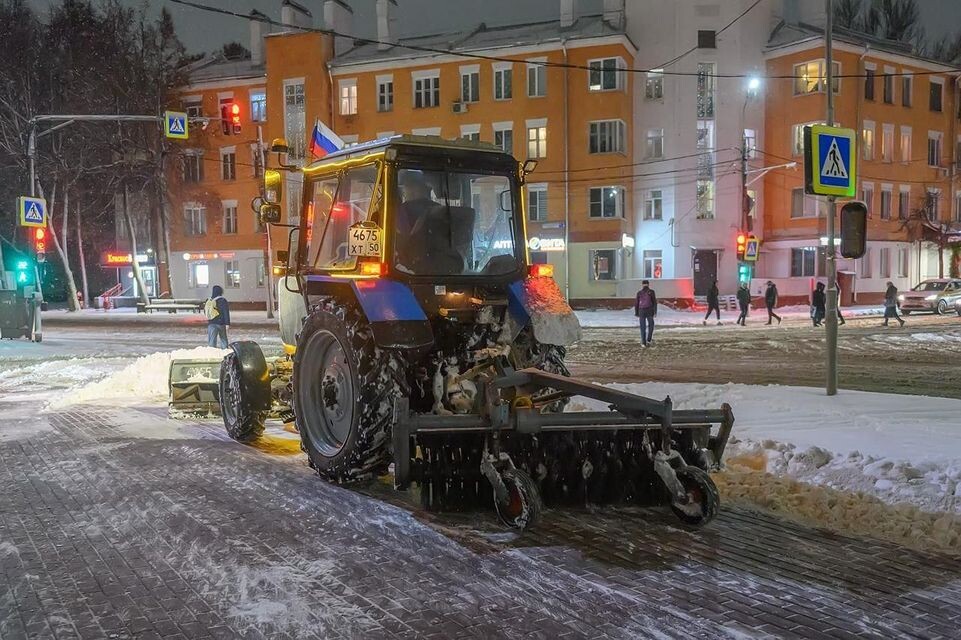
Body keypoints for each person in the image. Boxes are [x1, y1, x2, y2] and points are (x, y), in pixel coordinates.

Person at [634, 280, 657, 347]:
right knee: (651, 325)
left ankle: (643, 342)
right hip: (649, 310)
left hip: (641, 311)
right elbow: (654, 302)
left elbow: (636, 303)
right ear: (648, 284)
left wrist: (636, 312)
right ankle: (649, 339)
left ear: (642, 285)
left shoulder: (639, 293)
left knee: (642, 327)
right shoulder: (651, 292)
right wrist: (655, 312)